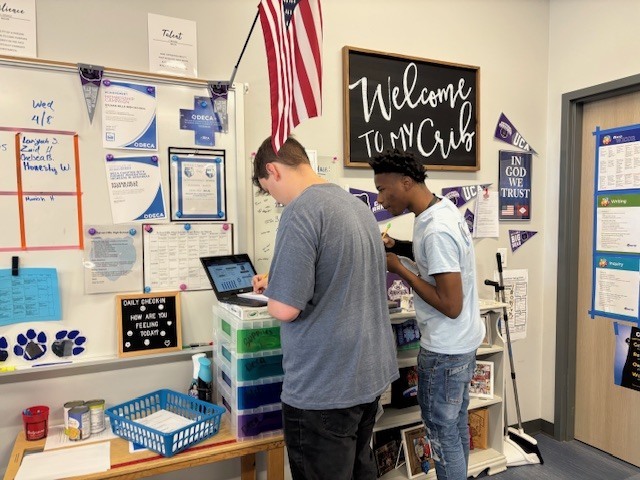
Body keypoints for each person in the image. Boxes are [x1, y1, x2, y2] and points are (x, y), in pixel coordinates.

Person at [251, 136, 399, 480]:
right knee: (360, 470)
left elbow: (285, 310)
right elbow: (340, 276)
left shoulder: (301, 210)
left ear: (272, 171)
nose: (275, 200)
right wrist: (281, 281)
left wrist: (275, 296)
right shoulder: (355, 206)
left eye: (268, 191)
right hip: (366, 376)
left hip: (325, 386)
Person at [369, 150, 484, 480]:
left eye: (383, 189)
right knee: (454, 428)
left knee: (441, 435)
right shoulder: (440, 209)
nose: (379, 199)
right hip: (462, 343)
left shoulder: (435, 230)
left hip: (445, 351)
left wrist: (399, 270)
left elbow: (451, 305)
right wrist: (399, 246)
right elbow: (433, 260)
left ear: (405, 183)